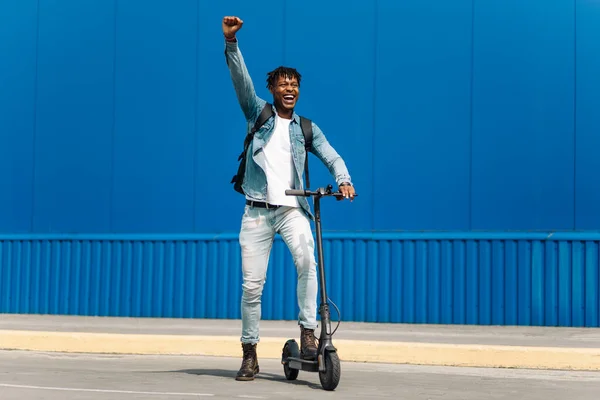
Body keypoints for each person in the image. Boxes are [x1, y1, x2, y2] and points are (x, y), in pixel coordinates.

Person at [222, 16, 356, 381]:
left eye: (294, 84)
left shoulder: (306, 128)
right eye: (283, 84)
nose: (290, 89)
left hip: (292, 209)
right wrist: (232, 45)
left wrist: (343, 179)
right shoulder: (259, 113)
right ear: (273, 89)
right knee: (252, 287)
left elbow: (330, 154)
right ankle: (250, 353)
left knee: (308, 261)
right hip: (257, 211)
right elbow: (241, 82)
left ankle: (309, 333)